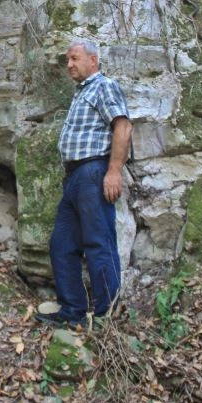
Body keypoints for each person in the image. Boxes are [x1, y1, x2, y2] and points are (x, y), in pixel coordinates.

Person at [35, 41, 133, 329]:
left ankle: (106, 317)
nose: (69, 65)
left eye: (74, 58)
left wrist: (114, 171)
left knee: (98, 242)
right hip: (74, 177)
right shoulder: (82, 93)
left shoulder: (104, 85)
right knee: (62, 244)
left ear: (93, 60)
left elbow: (123, 126)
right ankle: (73, 310)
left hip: (93, 172)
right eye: (67, 60)